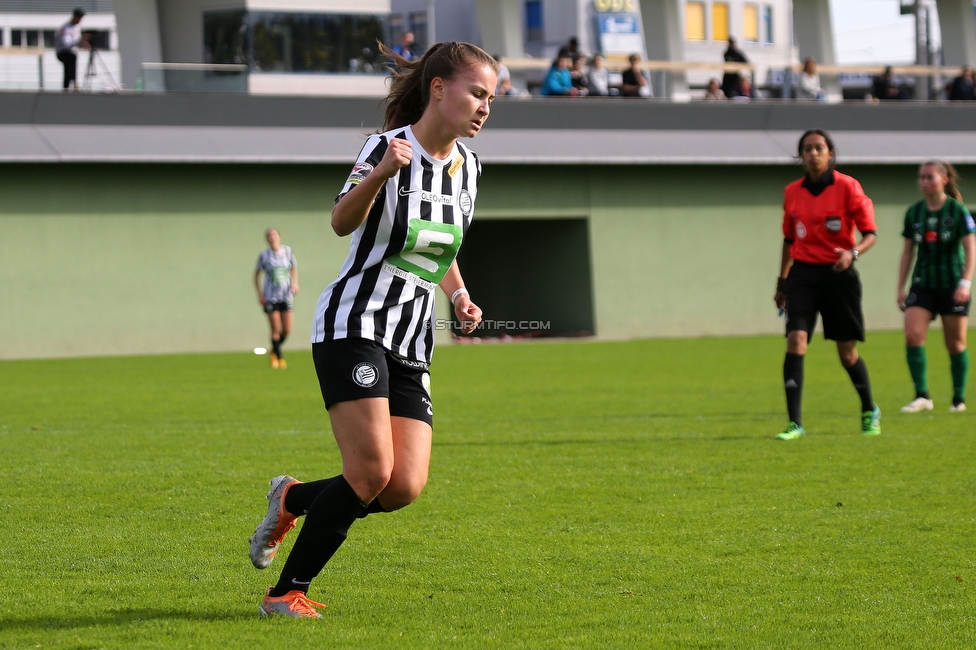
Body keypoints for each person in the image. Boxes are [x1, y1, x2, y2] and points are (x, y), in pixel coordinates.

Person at [249, 41, 493, 618]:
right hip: (354, 322)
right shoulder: (387, 147)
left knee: (402, 485)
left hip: (412, 335)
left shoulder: (471, 169)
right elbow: (340, 221)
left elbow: (437, 243)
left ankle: (293, 497)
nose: (485, 107)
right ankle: (287, 593)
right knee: (369, 471)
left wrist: (457, 293)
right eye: (477, 93)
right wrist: (382, 172)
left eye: (491, 98)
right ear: (439, 88)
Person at [773, 129, 881, 440]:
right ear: (802, 155)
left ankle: (868, 408)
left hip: (839, 274)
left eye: (819, 148)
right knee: (796, 341)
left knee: (846, 353)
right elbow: (789, 239)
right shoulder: (793, 191)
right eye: (807, 149)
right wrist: (782, 282)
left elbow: (870, 233)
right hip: (803, 275)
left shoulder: (848, 186)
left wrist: (853, 252)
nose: (813, 153)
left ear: (830, 153)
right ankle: (795, 423)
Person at [897, 161, 976, 413]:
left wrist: (965, 282)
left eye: (929, 177)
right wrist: (900, 287)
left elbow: (970, 248)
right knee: (912, 335)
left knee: (955, 344)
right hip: (923, 284)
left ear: (943, 180)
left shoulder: (957, 211)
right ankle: (922, 396)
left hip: (953, 285)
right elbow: (908, 251)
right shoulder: (914, 213)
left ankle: (958, 399)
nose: (924, 182)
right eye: (921, 177)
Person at [254, 228, 298, 369]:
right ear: (267, 239)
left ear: (279, 236)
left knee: (286, 329)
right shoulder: (264, 256)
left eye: (274, 235)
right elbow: (256, 275)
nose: (272, 237)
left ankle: (273, 350)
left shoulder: (288, 251)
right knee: (275, 329)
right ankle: (279, 358)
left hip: (286, 295)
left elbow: (294, 267)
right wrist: (260, 294)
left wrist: (295, 283)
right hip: (270, 296)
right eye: (269, 236)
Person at [55, 8, 90, 91]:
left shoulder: (77, 27)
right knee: (71, 59)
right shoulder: (66, 28)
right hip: (62, 52)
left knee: (70, 64)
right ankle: (73, 83)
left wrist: (83, 43)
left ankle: (68, 85)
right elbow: (66, 44)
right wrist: (80, 40)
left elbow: (77, 41)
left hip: (71, 53)